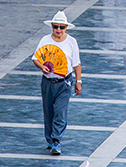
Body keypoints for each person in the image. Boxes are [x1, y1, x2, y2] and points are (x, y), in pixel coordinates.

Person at [33, 11, 81, 156]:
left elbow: (76, 64)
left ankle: (56, 140)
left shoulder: (72, 42)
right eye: (56, 27)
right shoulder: (45, 40)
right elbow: (35, 58)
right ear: (52, 27)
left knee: (60, 112)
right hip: (47, 82)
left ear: (66, 27)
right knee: (49, 112)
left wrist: (78, 81)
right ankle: (49, 138)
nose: (58, 30)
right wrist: (42, 67)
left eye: (61, 27)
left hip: (64, 82)